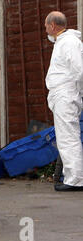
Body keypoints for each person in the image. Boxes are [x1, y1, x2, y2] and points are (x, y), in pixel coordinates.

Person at [44, 11, 83, 192]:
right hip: (65, 94)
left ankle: (76, 180)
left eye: (46, 26)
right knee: (66, 137)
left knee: (68, 137)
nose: (45, 30)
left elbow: (79, 70)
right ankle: (73, 177)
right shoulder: (63, 42)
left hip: (66, 94)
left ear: (52, 25)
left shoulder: (68, 42)